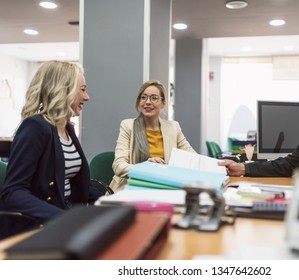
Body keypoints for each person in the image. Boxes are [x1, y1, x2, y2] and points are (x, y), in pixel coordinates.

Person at [0, 60, 101, 239]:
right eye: (83, 89)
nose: (87, 97)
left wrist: (112, 201)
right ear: (64, 90)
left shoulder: (67, 128)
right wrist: (63, 217)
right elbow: (13, 192)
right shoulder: (35, 127)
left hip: (66, 218)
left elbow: (71, 184)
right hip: (40, 226)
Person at [109, 80, 196, 192]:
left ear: (163, 103)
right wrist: (145, 167)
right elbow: (118, 166)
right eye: (144, 97)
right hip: (132, 189)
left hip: (164, 188)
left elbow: (192, 158)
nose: (148, 102)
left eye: (154, 98)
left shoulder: (173, 127)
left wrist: (219, 168)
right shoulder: (128, 126)